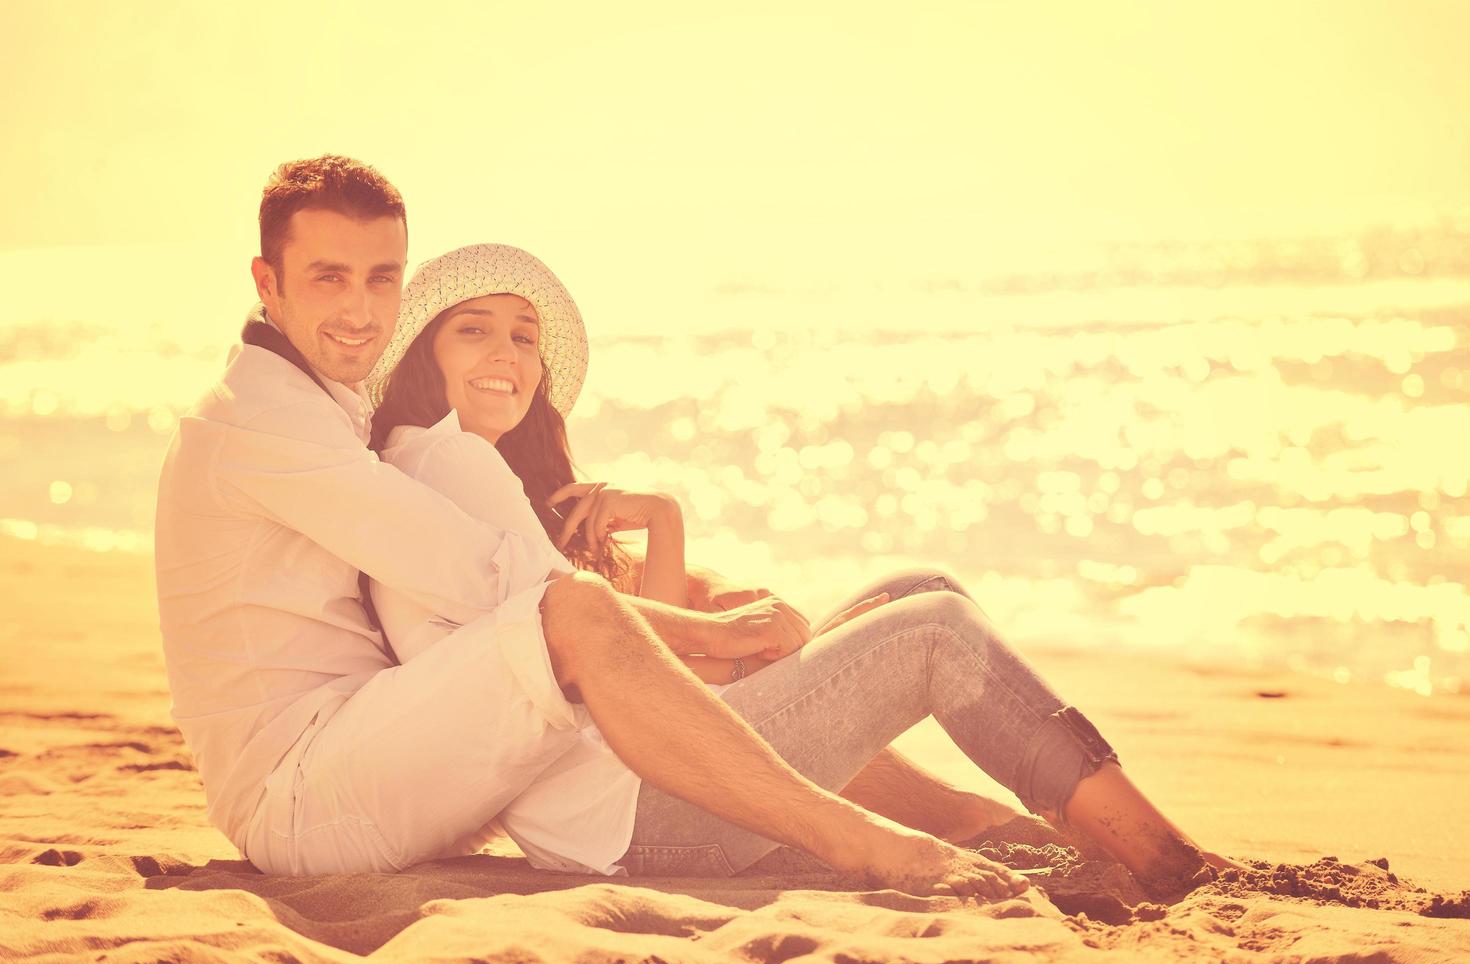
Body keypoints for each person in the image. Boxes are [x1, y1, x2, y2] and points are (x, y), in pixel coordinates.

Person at [156, 154, 1054, 899]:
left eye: (379, 277)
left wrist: (679, 566)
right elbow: (482, 579)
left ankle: (983, 824)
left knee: (878, 615)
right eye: (327, 278)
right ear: (267, 282)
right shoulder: (265, 425)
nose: (358, 308)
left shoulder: (324, 408)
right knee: (577, 615)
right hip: (303, 791)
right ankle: (855, 838)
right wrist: (721, 635)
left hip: (371, 743)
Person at [360, 241, 1229, 893]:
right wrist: (737, 639)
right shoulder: (449, 461)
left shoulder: (453, 473)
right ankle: (1160, 855)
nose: (506, 353)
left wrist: (664, 522)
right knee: (934, 631)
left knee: (918, 591)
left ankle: (1019, 829)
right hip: (642, 816)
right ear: (423, 356)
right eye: (473, 332)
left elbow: (637, 673)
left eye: (522, 336)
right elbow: (637, 661)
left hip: (638, 794)